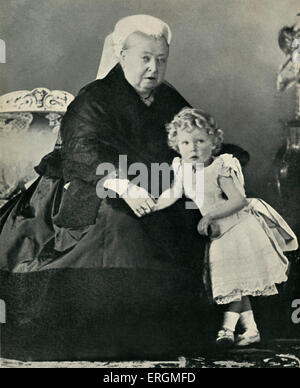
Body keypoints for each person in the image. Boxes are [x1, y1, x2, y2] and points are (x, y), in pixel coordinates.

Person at [0, 15, 249, 360]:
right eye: (145, 58)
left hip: (156, 185)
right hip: (92, 184)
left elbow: (193, 138)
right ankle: (110, 331)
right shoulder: (95, 97)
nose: (153, 68)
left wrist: (217, 164)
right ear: (121, 55)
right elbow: (81, 150)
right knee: (121, 225)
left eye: (161, 60)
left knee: (186, 217)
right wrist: (123, 186)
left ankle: (164, 330)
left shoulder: (168, 98)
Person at [149, 107, 298, 347]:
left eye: (200, 141)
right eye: (186, 142)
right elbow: (174, 193)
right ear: (176, 145)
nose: (193, 148)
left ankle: (226, 330)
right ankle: (251, 330)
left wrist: (209, 217)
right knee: (237, 282)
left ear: (214, 142)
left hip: (237, 228)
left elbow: (237, 200)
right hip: (217, 233)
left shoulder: (221, 166)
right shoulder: (182, 167)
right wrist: (153, 206)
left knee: (234, 281)